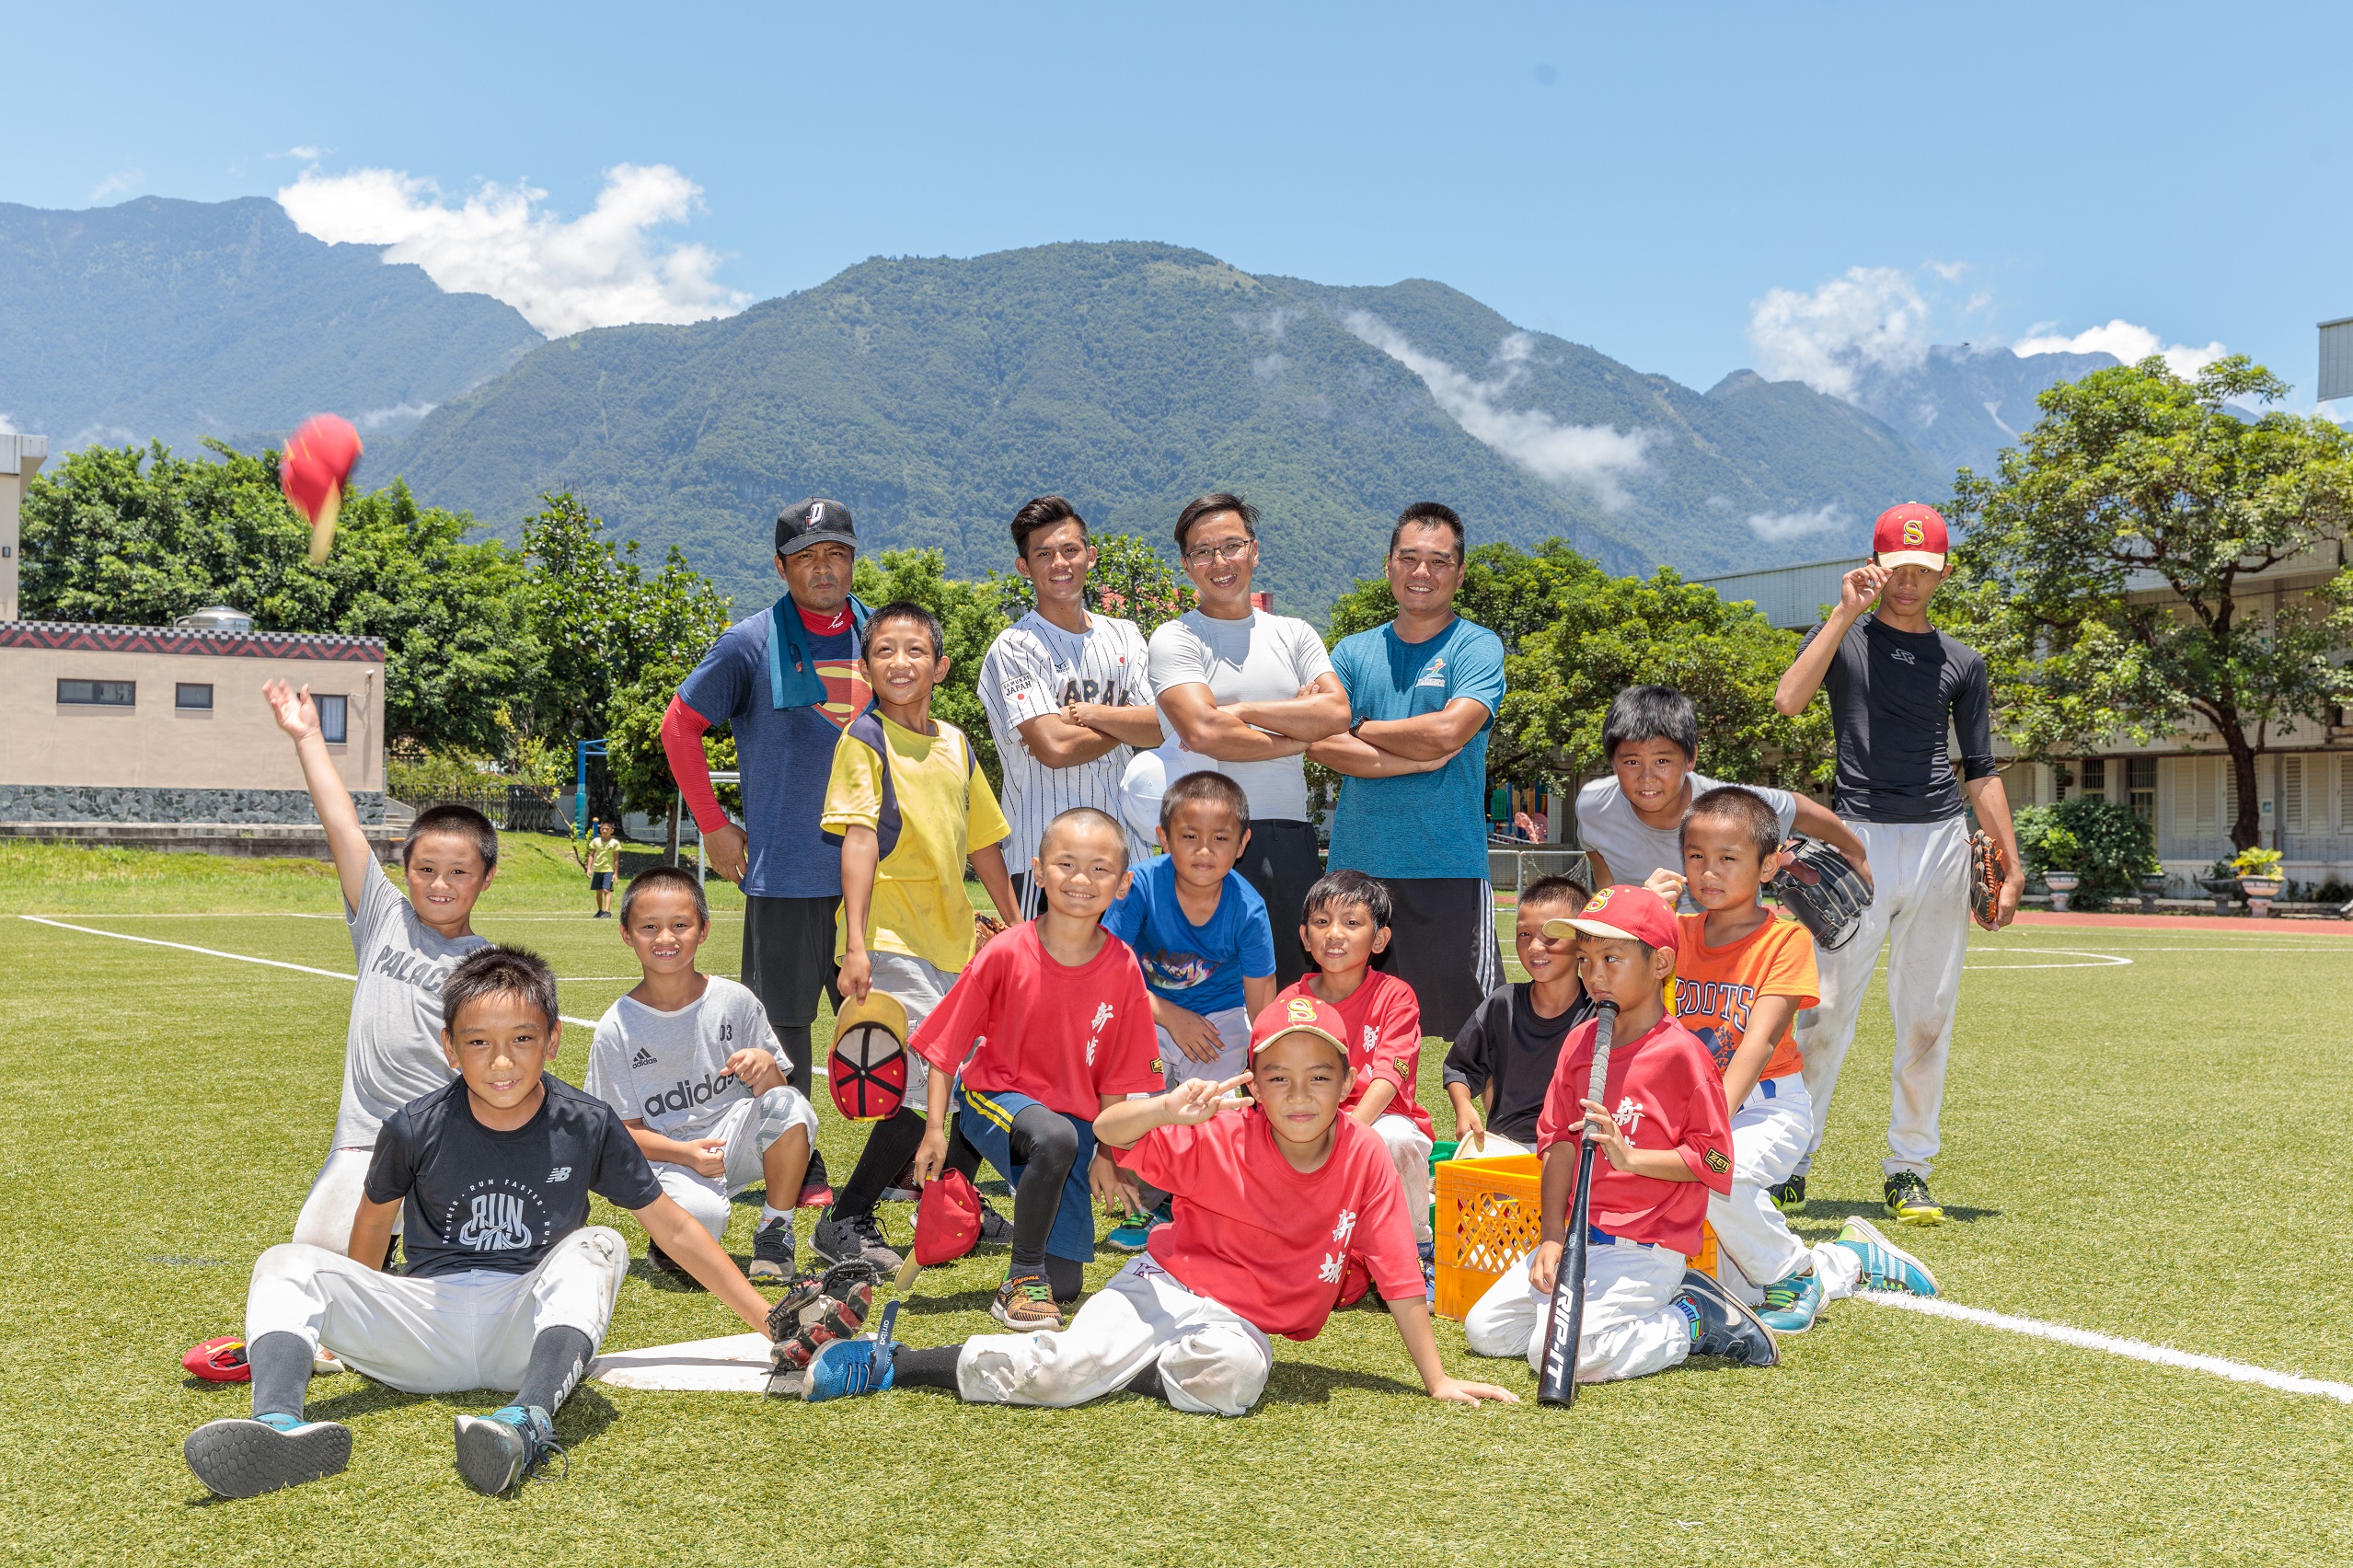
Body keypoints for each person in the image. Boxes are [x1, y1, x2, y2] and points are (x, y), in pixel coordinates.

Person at [181, 947, 782, 1501]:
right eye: (478, 1043)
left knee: (600, 1243)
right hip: (425, 1324)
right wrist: (350, 1316)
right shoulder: (414, 1125)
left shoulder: (587, 1123)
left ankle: (526, 1421)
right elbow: (371, 1225)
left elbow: (674, 1228)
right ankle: (278, 1428)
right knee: (283, 1262)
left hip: (524, 1334)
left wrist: (771, 1323)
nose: (501, 1061)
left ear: (552, 1040)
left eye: (522, 1038)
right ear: (449, 1048)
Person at [798, 996, 1520, 1414]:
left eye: (1319, 1077)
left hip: (1247, 1322)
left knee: (1236, 1383)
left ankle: (1126, 1368)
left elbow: (1397, 1270)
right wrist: (1165, 1110)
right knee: (1059, 1376)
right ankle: (895, 1361)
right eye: (1278, 1077)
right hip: (1168, 1287)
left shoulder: (1362, 1154)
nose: (1299, 1095)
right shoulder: (1217, 1131)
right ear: (1253, 1084)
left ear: (1345, 1084)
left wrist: (1436, 1378)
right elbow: (1107, 1134)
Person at [1771, 504, 2026, 1225]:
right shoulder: (1846, 642)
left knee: (1927, 1016)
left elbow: (1980, 769)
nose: (1909, 582)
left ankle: (1908, 1167)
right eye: (1897, 568)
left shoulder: (1961, 661)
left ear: (1941, 574)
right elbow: (1788, 701)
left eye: (1924, 570)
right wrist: (1841, 613)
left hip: (1941, 840)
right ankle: (1790, 1154)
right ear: (1876, 565)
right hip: (1857, 840)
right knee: (1820, 1011)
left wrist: (2008, 864)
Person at [1461, 884, 1778, 1383]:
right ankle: (1595, 1316)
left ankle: (1693, 1319)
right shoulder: (1580, 1042)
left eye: (1612, 957)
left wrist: (1632, 1158)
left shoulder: (1682, 1055)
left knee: (1561, 1353)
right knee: (1485, 1332)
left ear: (1661, 964)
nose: (1595, 975)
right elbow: (1557, 1143)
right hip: (1576, 1241)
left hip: (1645, 1248)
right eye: (1586, 960)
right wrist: (1550, 1238)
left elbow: (1717, 1161)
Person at [661, 496, 873, 1205]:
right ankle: (801, 1167)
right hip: (787, 874)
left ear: (852, 560)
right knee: (785, 1037)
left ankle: (900, 1165)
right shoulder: (748, 643)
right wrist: (714, 825)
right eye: (808, 556)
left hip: (881, 877)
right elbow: (679, 726)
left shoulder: (884, 638)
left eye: (836, 553)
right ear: (782, 567)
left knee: (890, 1027)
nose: (824, 568)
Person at [1667, 788, 1940, 1333]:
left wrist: (1708, 1124)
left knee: (1719, 1175)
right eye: (1696, 857)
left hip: (1766, 1109)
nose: (1709, 872)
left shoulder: (1785, 938)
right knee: (1731, 1275)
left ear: (1769, 866)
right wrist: (1643, 911)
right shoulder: (1673, 934)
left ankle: (1794, 1275)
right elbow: (1607, 974)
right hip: (1692, 1110)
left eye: (1728, 858)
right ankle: (1850, 1259)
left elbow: (1760, 1042)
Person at [813, 602, 1021, 1274]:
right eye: (884, 652)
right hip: (891, 936)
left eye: (913, 651)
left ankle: (952, 1202)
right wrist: (856, 944)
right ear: (865, 667)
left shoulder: (955, 744)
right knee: (913, 1089)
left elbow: (984, 841)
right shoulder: (862, 739)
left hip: (956, 941)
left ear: (940, 665)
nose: (899, 663)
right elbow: (860, 839)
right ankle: (847, 1217)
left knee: (969, 1082)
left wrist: (1016, 925)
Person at [904, 807, 1164, 1327]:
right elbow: (946, 1046)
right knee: (1056, 1137)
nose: (1081, 879)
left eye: (1099, 868)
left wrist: (1108, 1155)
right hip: (993, 1100)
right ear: (1039, 872)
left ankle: (1019, 1253)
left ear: (1122, 884)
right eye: (1066, 864)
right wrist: (935, 1130)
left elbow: (1117, 1074)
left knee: (1065, 1283)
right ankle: (1020, 1281)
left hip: (1074, 1133)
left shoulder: (1123, 966)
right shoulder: (1004, 952)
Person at [263, 676, 494, 1259]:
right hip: (363, 1142)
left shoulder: (488, 966)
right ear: (405, 869)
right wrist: (309, 736)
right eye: (425, 870)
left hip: (443, 1146)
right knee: (314, 1262)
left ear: (485, 879)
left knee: (461, 1290)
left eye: (459, 872)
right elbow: (341, 823)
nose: (440, 885)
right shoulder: (383, 917)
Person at [1309, 502, 1507, 1039]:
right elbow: (1320, 743)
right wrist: (1416, 756)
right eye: (1409, 558)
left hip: (1448, 868)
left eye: (1439, 561)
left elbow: (1448, 733)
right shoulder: (1352, 652)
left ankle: (1487, 1128)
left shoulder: (1477, 645)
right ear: (1389, 564)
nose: (1422, 573)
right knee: (1346, 1032)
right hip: (1357, 872)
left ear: (1460, 572)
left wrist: (1361, 726)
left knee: (1478, 1035)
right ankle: (1360, 1129)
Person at [1146, 492, 1348, 986]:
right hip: (1207, 837)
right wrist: (1296, 732)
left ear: (1254, 550)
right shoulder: (1176, 639)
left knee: (1292, 994)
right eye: (1202, 552)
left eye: (1231, 545)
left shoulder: (1295, 633)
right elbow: (1204, 731)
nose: (1220, 562)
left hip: (1288, 836)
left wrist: (1243, 711)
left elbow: (1337, 711)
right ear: (1186, 565)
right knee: (1206, 993)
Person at [584, 866, 820, 1285]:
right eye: (649, 927)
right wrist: (686, 1154)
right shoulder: (616, 1028)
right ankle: (673, 1224)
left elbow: (778, 1105)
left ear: (704, 929)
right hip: (669, 1157)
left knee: (792, 1103)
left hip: (733, 1139)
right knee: (704, 1222)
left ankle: (775, 1231)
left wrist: (766, 1069)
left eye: (680, 925)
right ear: (626, 933)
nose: (665, 939)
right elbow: (620, 1132)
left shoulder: (736, 1001)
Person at [1100, 770, 1278, 1251]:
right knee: (1137, 1110)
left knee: (1214, 1108)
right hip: (1144, 1010)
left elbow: (1261, 998)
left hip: (1218, 1020)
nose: (1204, 851)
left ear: (1242, 843)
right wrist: (1169, 1015)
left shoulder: (1248, 908)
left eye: (1220, 838)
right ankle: (1141, 1196)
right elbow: (1110, 968)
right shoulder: (1140, 884)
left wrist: (1266, 1066)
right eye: (1189, 837)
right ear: (1163, 838)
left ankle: (1194, 1202)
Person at [978, 496, 1164, 915]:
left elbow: (1159, 727)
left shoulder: (1126, 635)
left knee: (1125, 978)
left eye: (1070, 550)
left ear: (1090, 556)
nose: (1059, 563)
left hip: (1126, 855)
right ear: (1024, 567)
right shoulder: (1015, 646)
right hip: (1043, 857)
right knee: (1048, 980)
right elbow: (1055, 748)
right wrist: (1124, 720)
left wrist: (1088, 714)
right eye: (1043, 554)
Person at [1272, 870, 1436, 1271]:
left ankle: (1417, 1249)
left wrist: (1343, 1134)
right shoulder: (1292, 1000)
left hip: (1379, 1118)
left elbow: (1387, 1079)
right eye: (1322, 922)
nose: (1334, 934)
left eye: (1351, 923)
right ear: (1305, 937)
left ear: (1379, 939)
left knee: (1394, 1140)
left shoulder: (1395, 996)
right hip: (1311, 1118)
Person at [1575, 684, 1871, 902]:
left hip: (1731, 962)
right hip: (1650, 961)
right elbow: (1605, 885)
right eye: (1631, 762)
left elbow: (1801, 808)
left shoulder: (1731, 808)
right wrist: (1640, 903)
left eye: (1662, 760)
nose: (1647, 776)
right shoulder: (1593, 807)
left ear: (1690, 758)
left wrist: (1856, 852)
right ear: (1612, 762)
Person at [1442, 873, 1597, 1159]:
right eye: (1524, 934)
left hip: (1573, 1147)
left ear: (1582, 941)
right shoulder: (1503, 1003)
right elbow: (1461, 1067)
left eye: (1550, 934)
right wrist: (1464, 1107)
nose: (1535, 947)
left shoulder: (1600, 1012)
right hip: (1507, 1146)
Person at [572, 820, 621, 918]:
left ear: (612, 831)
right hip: (598, 870)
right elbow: (591, 855)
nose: (604, 830)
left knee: (606, 890)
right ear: (600, 829)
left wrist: (615, 873)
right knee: (598, 891)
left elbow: (616, 859)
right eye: (603, 828)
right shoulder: (596, 841)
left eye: (607, 829)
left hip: (608, 870)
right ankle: (600, 910)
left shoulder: (614, 843)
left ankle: (607, 911)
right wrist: (589, 868)